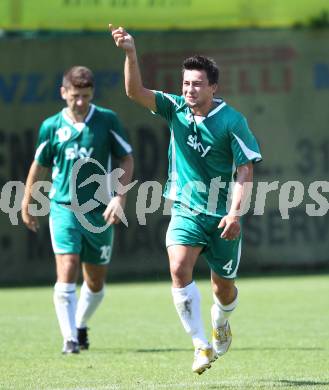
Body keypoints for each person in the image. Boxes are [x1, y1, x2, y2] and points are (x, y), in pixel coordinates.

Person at [110, 25, 262, 374]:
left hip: (222, 215)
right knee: (178, 268)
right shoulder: (174, 108)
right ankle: (200, 345)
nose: (189, 89)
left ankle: (221, 321)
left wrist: (235, 214)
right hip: (186, 208)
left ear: (213, 87)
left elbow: (245, 170)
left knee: (223, 289)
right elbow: (135, 91)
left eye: (197, 84)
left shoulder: (232, 121)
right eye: (185, 83)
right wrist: (131, 53)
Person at [21, 66, 134, 354]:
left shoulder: (107, 120)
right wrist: (27, 200)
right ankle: (69, 338)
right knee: (68, 265)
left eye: (85, 96)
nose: (80, 102)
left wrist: (119, 197)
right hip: (63, 207)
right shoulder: (51, 126)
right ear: (63, 93)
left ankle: (80, 324)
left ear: (92, 93)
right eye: (74, 96)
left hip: (98, 211)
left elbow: (126, 159)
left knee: (95, 282)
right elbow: (40, 165)